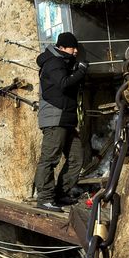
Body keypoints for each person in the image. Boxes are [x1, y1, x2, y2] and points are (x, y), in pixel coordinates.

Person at [34, 31, 88, 212]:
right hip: (55, 118)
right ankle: (45, 198)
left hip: (66, 118)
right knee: (50, 159)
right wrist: (81, 71)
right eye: (73, 48)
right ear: (63, 47)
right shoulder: (53, 63)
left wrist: (77, 70)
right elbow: (64, 83)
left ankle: (60, 194)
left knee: (76, 157)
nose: (75, 52)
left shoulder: (63, 63)